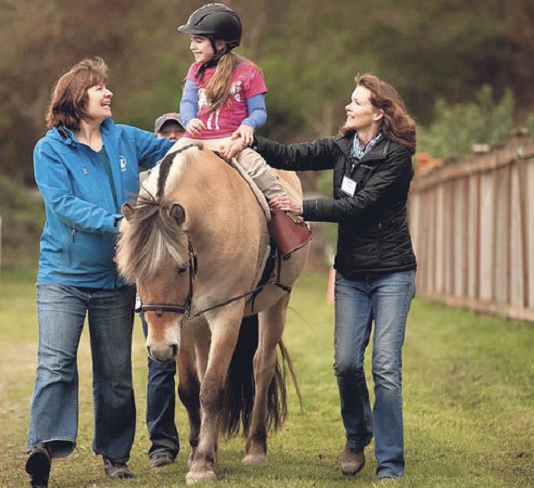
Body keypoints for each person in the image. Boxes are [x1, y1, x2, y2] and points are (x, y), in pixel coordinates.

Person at [225, 74, 417, 484]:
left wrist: (301, 205)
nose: (348, 107)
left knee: (384, 367)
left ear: (378, 113)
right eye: (350, 100)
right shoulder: (343, 145)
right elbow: (292, 154)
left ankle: (390, 464)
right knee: (346, 364)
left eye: (356, 102)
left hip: (392, 274)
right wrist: (248, 139)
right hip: (350, 272)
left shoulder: (398, 157)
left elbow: (361, 207)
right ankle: (357, 434)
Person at [25, 57, 174, 487]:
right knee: (55, 364)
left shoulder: (124, 138)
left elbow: (174, 150)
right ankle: (42, 447)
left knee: (116, 374)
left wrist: (217, 138)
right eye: (98, 88)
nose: (108, 94)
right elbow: (63, 206)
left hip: (115, 279)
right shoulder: (49, 149)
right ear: (76, 97)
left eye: (107, 87)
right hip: (63, 277)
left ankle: (115, 455)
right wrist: (119, 223)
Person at [173, 3, 311, 256]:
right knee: (161, 172)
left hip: (230, 140)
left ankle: (289, 223)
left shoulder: (249, 72)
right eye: (192, 40)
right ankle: (137, 226)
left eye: (199, 40)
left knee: (262, 172)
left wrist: (248, 125)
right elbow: (187, 102)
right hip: (195, 139)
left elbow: (259, 111)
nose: (192, 46)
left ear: (221, 44)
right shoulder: (195, 70)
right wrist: (188, 119)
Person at [135, 113, 185, 468]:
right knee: (160, 369)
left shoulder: (197, 181)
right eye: (164, 133)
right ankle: (162, 445)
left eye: (177, 131)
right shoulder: (144, 183)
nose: (170, 137)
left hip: (186, 291)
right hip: (154, 294)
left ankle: (202, 432)